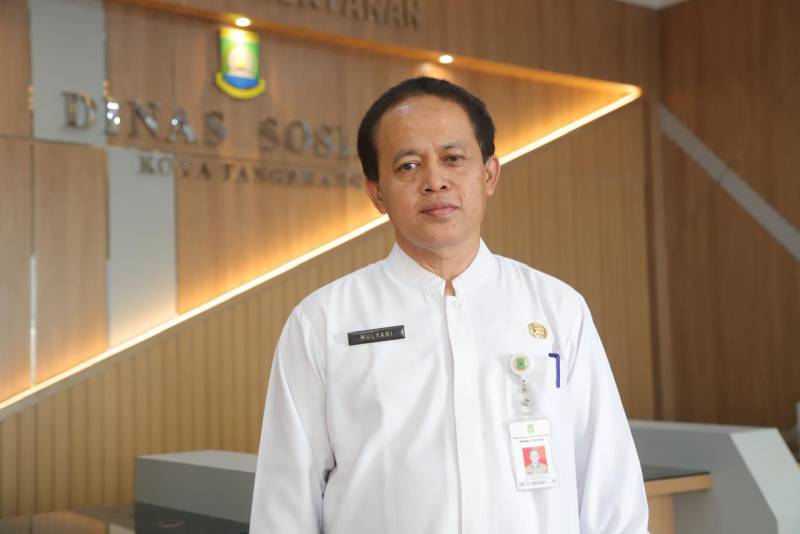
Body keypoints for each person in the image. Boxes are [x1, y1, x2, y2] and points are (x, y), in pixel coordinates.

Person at [249, 77, 649, 533]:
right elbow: (285, 501)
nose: (435, 181)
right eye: (408, 166)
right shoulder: (323, 321)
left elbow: (609, 483)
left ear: (489, 174)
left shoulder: (558, 308)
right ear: (376, 192)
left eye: (453, 158)